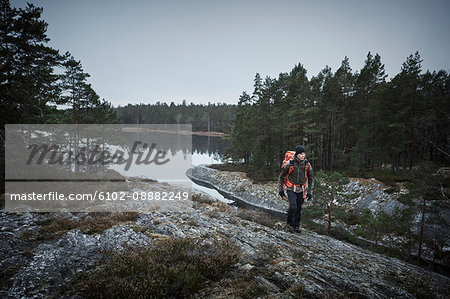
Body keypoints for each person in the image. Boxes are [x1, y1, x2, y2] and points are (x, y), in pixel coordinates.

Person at [278, 145, 313, 233]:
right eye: (301, 154)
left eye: (304, 154)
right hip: (290, 188)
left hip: (301, 189)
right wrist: (281, 189)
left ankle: (296, 226)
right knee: (293, 206)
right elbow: (281, 177)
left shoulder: (307, 165)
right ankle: (289, 225)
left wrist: (309, 192)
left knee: (299, 208)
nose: (303, 156)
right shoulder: (289, 164)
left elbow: (311, 179)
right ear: (297, 154)